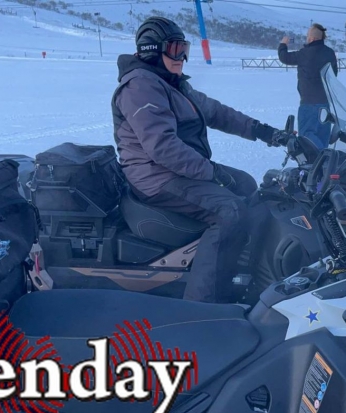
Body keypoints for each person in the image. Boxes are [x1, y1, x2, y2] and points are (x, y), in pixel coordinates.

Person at [111, 17, 286, 303]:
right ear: (152, 51)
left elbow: (216, 112)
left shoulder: (171, 83)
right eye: (174, 49)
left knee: (246, 183)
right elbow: (163, 147)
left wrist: (264, 131)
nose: (182, 57)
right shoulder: (140, 87)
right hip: (156, 178)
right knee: (230, 211)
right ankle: (203, 302)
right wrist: (211, 172)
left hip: (177, 171)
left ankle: (246, 270)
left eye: (184, 49)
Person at [278, 23, 338, 150]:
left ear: (312, 38)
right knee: (322, 136)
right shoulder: (330, 53)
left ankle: (315, 159)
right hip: (325, 103)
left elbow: (284, 58)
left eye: (307, 36)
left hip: (309, 103)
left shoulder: (304, 53)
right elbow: (334, 74)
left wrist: (283, 44)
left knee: (307, 138)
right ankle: (324, 159)